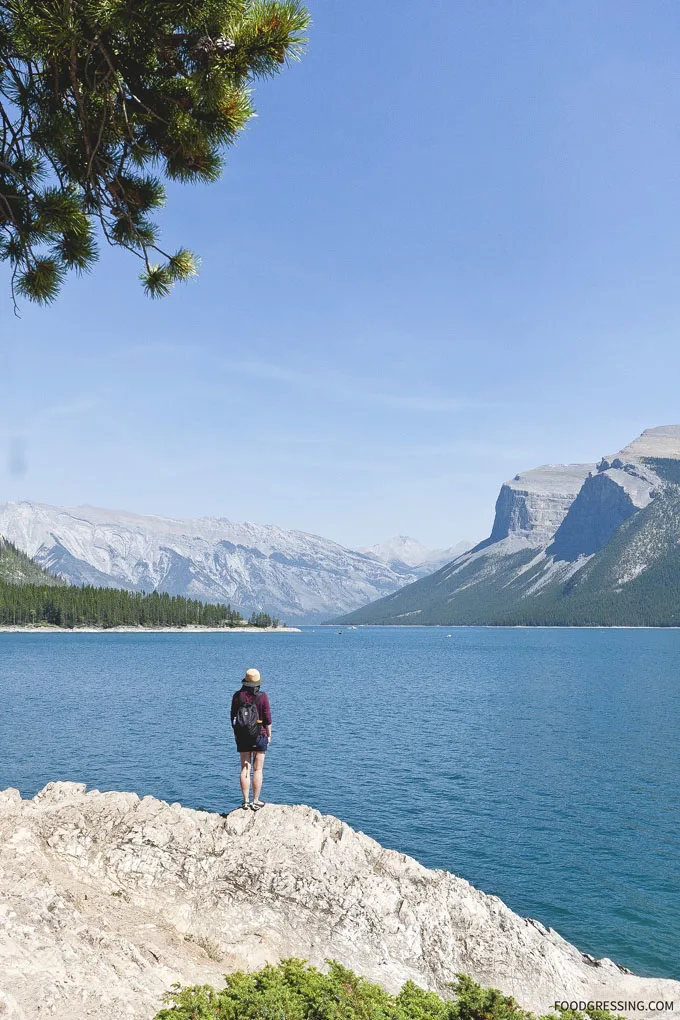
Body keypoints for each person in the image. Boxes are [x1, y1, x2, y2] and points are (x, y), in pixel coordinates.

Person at [230, 668, 272, 811]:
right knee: (258, 769)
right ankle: (256, 800)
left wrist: (236, 734)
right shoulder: (263, 696)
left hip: (242, 735)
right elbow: (267, 718)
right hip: (259, 735)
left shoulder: (237, 696)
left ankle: (246, 801)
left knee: (245, 768)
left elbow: (233, 717)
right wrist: (269, 734)